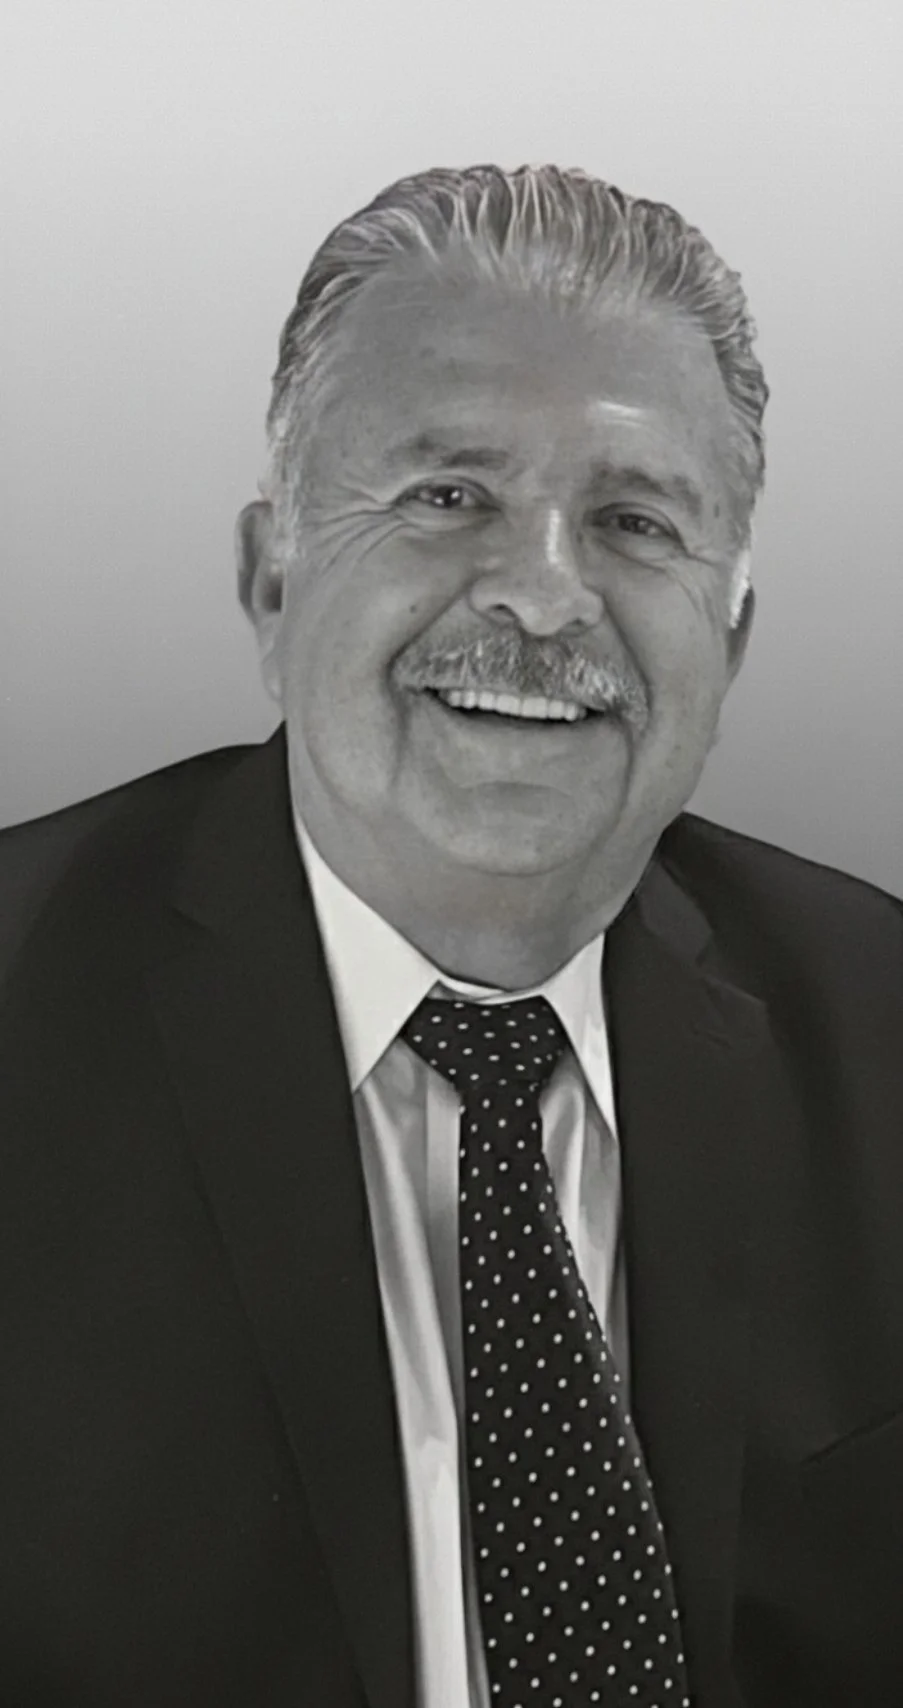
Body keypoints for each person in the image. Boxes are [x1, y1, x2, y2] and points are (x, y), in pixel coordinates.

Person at [1, 163, 901, 1708]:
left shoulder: (880, 1023)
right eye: (447, 496)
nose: (544, 599)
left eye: (631, 520)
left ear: (731, 635)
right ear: (271, 578)